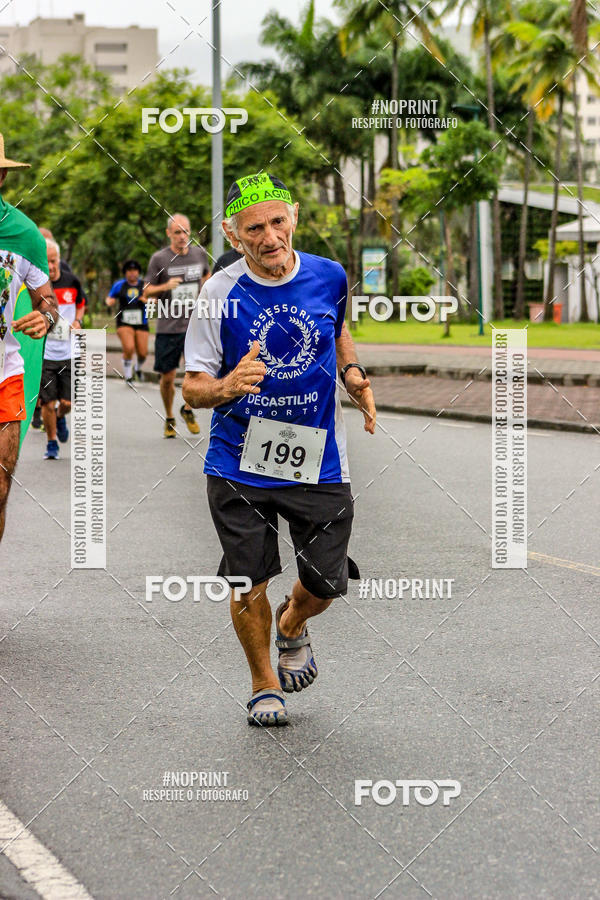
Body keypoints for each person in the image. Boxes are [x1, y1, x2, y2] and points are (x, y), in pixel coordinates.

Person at [183, 173, 376, 727]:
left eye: (277, 222)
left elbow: (335, 329)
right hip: (238, 460)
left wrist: (352, 372)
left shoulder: (329, 275)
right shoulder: (218, 293)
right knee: (248, 579)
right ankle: (264, 684)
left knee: (325, 583)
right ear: (232, 234)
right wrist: (226, 386)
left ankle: (292, 623)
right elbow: (192, 386)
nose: (269, 238)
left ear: (293, 217)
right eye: (253, 229)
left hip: (319, 458)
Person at [0, 134, 58, 541]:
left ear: (2, 176)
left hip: (5, 374)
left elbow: (47, 300)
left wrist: (45, 318)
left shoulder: (23, 233)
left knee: (0, 488)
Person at [143, 214, 209, 438]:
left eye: (186, 232)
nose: (182, 236)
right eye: (178, 232)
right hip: (168, 327)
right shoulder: (159, 259)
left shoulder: (199, 254)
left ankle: (187, 409)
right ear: (169, 233)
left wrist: (205, 289)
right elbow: (146, 290)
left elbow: (207, 275)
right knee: (168, 377)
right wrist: (165, 286)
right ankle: (170, 416)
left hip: (195, 325)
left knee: (197, 373)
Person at [39, 238, 84, 460]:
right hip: (46, 354)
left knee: (67, 402)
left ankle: (60, 416)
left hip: (69, 353)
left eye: (54, 261)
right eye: (46, 261)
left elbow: (81, 303)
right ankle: (51, 443)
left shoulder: (72, 281)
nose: (51, 266)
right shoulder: (38, 286)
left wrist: (78, 321)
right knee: (47, 402)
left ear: (59, 260)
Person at [106, 259, 148, 383]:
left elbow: (155, 299)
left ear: (138, 272)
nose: (132, 273)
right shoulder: (119, 285)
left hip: (141, 322)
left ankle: (137, 368)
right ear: (125, 272)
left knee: (143, 353)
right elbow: (110, 298)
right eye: (129, 270)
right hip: (124, 321)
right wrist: (109, 302)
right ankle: (128, 376)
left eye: (135, 270)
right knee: (129, 348)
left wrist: (146, 300)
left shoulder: (145, 285)